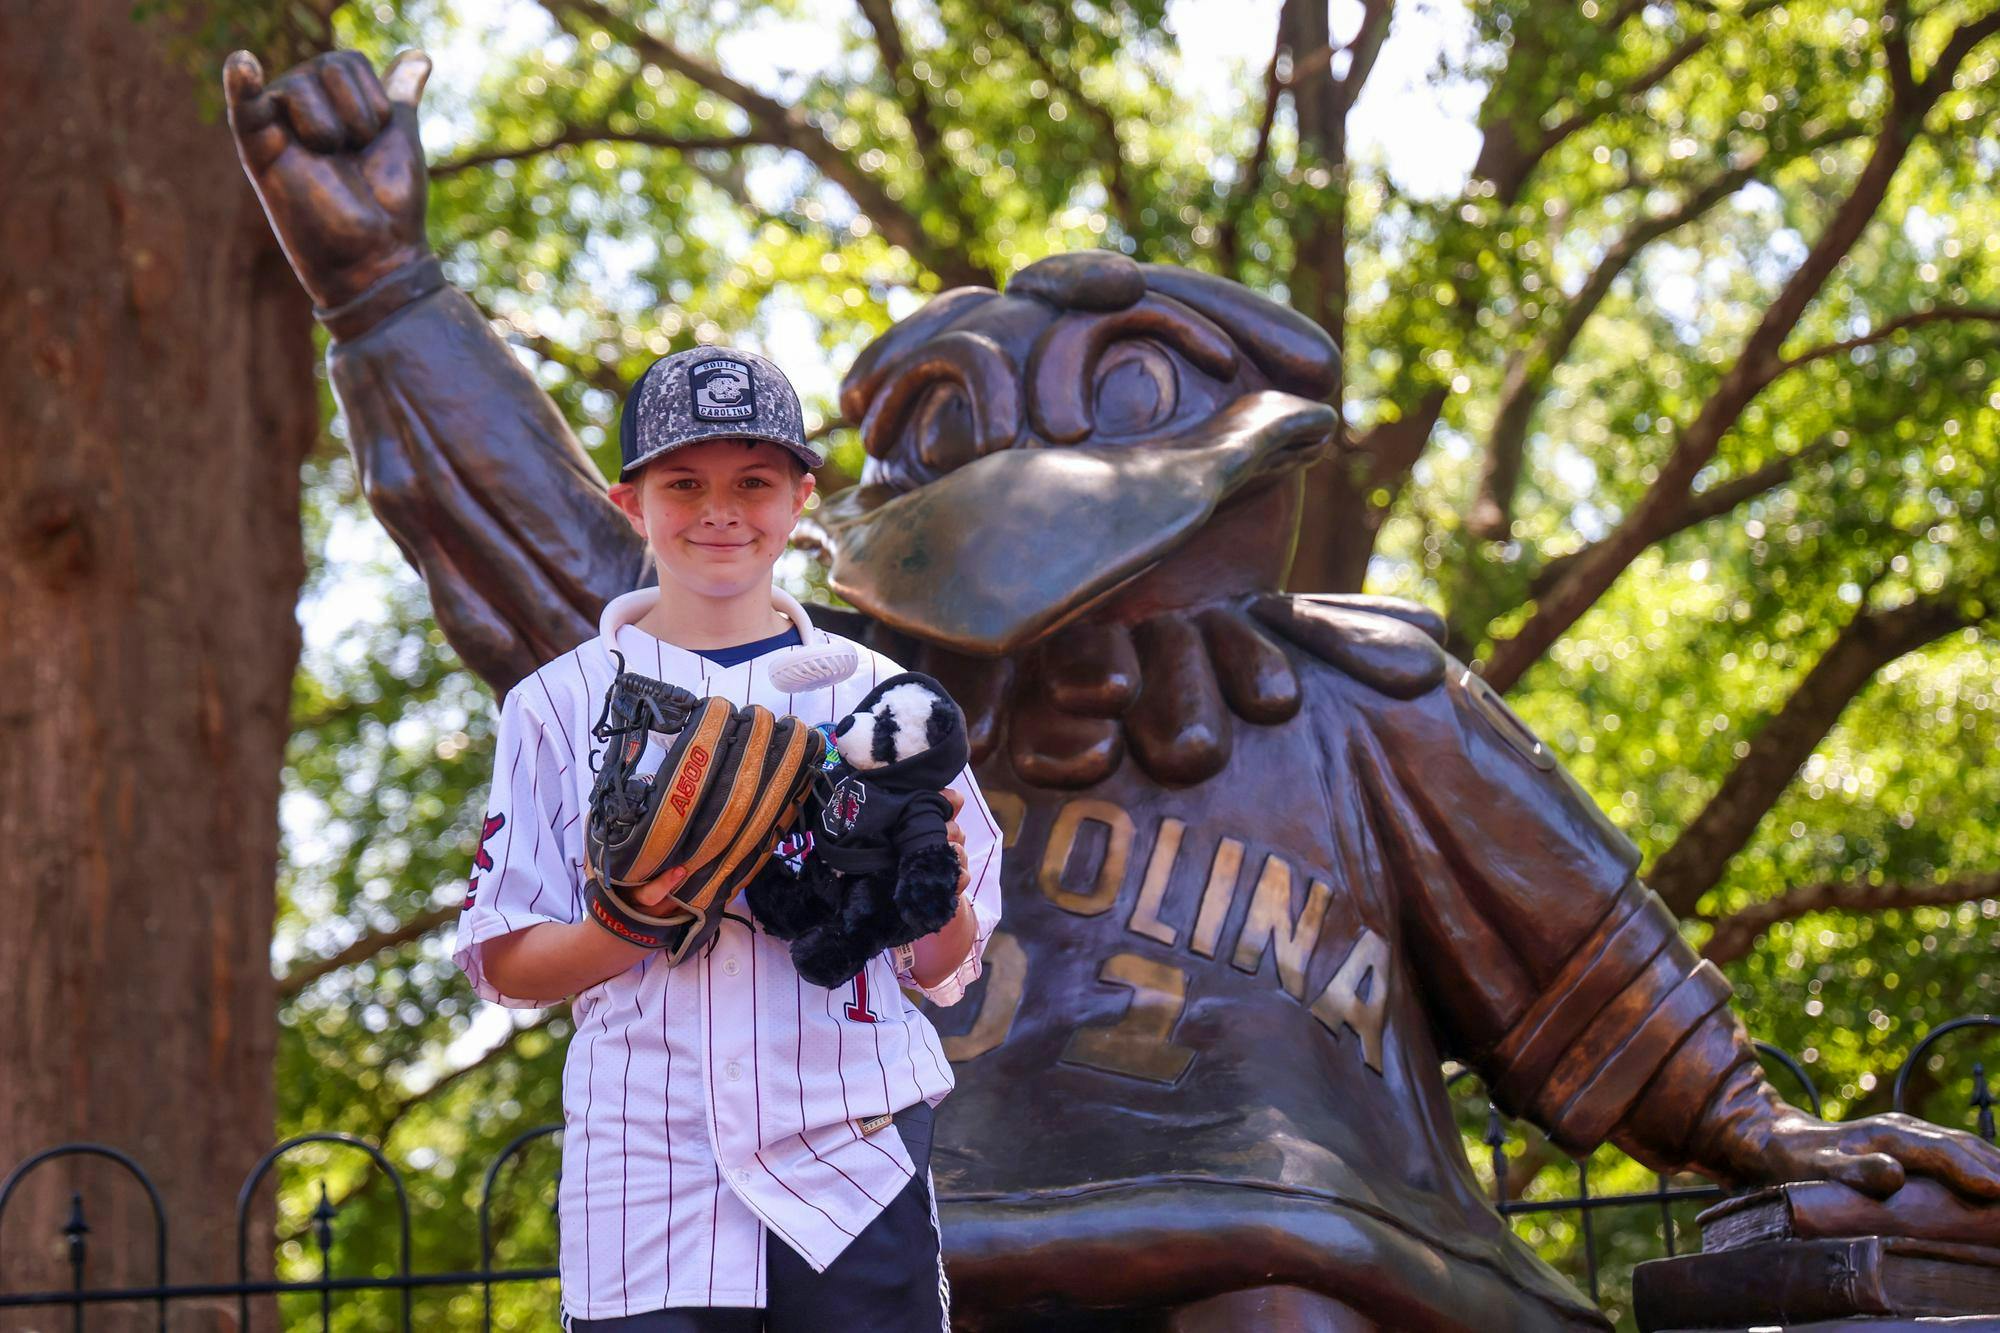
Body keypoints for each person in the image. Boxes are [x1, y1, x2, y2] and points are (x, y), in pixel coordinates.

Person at [454, 345, 1002, 1331]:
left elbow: (945, 963)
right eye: (683, 482)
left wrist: (938, 888)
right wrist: (635, 921)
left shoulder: (879, 697)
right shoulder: (556, 704)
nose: (720, 509)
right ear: (631, 505)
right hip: (646, 1172)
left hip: (854, 1157)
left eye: (753, 481)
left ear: (799, 497)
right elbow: (502, 958)